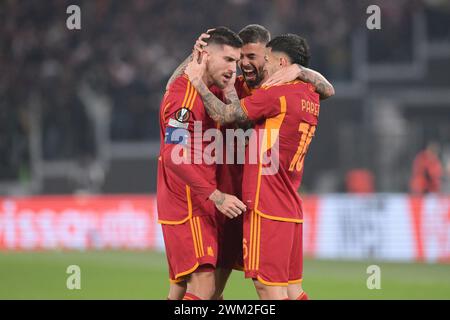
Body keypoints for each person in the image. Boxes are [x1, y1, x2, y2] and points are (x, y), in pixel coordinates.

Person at [166, 24, 334, 300]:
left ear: (275, 59)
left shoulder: (272, 91)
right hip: (230, 199)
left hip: (256, 201)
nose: (243, 64)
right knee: (208, 289)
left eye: (255, 58)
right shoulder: (303, 92)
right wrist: (196, 58)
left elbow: (225, 112)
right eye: (235, 58)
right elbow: (174, 88)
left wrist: (300, 71)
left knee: (262, 288)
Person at [157, 27, 247, 300]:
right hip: (188, 203)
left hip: (200, 201)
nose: (235, 68)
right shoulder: (185, 97)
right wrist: (216, 195)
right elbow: (173, 153)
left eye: (237, 61)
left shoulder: (212, 90)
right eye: (229, 60)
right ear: (206, 56)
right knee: (204, 286)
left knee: (190, 291)